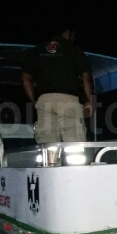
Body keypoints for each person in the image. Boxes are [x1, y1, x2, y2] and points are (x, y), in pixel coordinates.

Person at [21, 25, 94, 163]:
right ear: (67, 32)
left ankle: (49, 172)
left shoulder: (37, 50)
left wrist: (35, 100)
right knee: (74, 143)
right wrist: (90, 102)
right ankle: (75, 174)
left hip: (44, 99)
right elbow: (86, 78)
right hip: (69, 99)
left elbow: (25, 77)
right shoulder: (73, 49)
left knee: (48, 145)